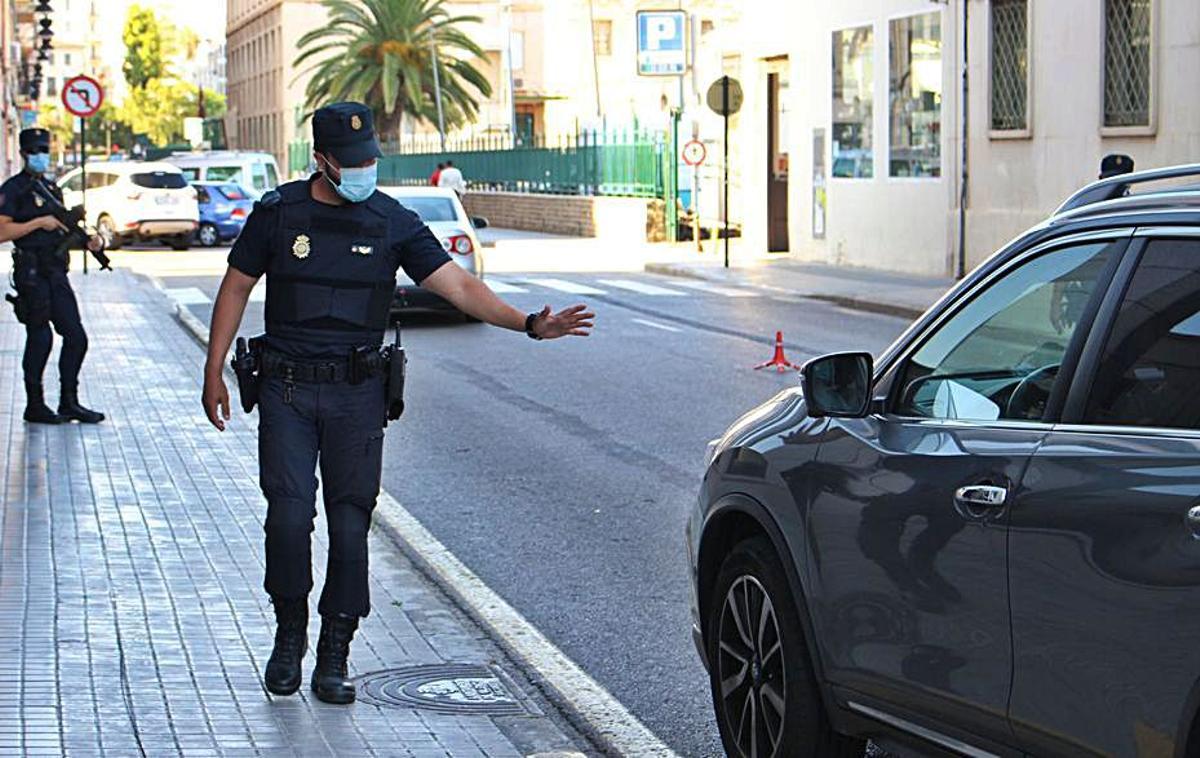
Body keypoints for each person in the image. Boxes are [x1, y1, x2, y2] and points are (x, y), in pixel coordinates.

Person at [200, 102, 593, 705]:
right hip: (288, 391)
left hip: (357, 394)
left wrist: (529, 324)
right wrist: (213, 368)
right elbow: (237, 285)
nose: (364, 171)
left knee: (351, 524)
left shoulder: (392, 221)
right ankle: (289, 634)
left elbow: (459, 285)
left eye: (369, 161)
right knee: (287, 517)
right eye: (352, 163)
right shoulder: (279, 214)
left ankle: (335, 651)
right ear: (322, 160)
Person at [0, 127, 106, 424]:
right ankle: (35, 404)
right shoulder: (13, 189)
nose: (40, 156)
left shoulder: (51, 188)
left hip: (56, 271)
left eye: (44, 150)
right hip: (30, 272)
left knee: (76, 336)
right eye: (35, 151)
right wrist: (36, 224)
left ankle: (69, 402)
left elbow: (62, 230)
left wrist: (90, 242)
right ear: (23, 154)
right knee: (40, 337)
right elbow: (2, 230)